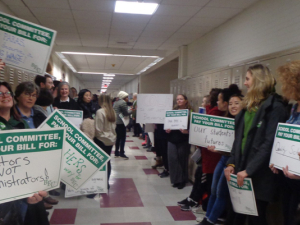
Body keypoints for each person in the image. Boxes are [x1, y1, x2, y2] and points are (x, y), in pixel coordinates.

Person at [224, 64, 289, 225]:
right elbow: (239, 139)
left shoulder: (275, 108)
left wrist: (249, 170)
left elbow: (269, 143)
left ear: (258, 80)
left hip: (260, 175)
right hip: (241, 172)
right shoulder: (247, 108)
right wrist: (231, 163)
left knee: (256, 218)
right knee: (236, 214)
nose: (245, 83)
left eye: (247, 79)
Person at [0, 81, 49, 225]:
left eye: (7, 92)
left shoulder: (22, 124)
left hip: (27, 188)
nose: (4, 96)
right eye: (0, 94)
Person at [198, 87, 243, 225]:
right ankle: (207, 218)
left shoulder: (244, 122)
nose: (233, 106)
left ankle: (210, 221)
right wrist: (216, 149)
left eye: (236, 103)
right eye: (230, 104)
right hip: (223, 159)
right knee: (213, 190)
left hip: (232, 162)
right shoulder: (226, 120)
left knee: (221, 192)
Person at [14, 82, 59, 209]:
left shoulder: (39, 115)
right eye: (27, 94)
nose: (30, 98)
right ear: (17, 96)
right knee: (21, 206)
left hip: (37, 164)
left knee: (36, 203)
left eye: (34, 95)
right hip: (18, 166)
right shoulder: (11, 116)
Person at [178, 90, 223, 210]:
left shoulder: (214, 113)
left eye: (204, 102)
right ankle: (192, 198)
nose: (202, 104)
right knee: (199, 176)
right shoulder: (207, 112)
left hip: (210, 155)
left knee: (203, 179)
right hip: (205, 153)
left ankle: (196, 201)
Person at [269, 60, 300, 225]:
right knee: (287, 215)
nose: (284, 87)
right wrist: (278, 160)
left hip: (298, 177)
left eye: (287, 82)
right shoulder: (294, 108)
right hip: (287, 176)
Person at [166, 94, 192, 189]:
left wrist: (187, 131)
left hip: (183, 140)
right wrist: (168, 129)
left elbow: (193, 128)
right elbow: (168, 124)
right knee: (172, 159)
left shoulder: (190, 112)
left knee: (182, 160)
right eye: (177, 99)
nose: (179, 101)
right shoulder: (173, 112)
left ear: (186, 100)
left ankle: (182, 180)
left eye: (181, 99)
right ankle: (175, 180)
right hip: (172, 138)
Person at [94, 95, 116, 190]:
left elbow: (98, 129)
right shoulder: (112, 112)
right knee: (107, 161)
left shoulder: (100, 112)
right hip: (110, 139)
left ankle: (100, 183)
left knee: (100, 162)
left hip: (101, 140)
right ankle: (106, 183)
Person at [113, 91, 132, 159]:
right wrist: (132, 110)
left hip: (116, 122)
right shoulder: (123, 103)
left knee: (117, 138)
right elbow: (126, 113)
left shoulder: (116, 102)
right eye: (127, 97)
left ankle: (116, 152)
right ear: (123, 97)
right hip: (121, 122)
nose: (128, 98)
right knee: (123, 138)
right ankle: (122, 153)